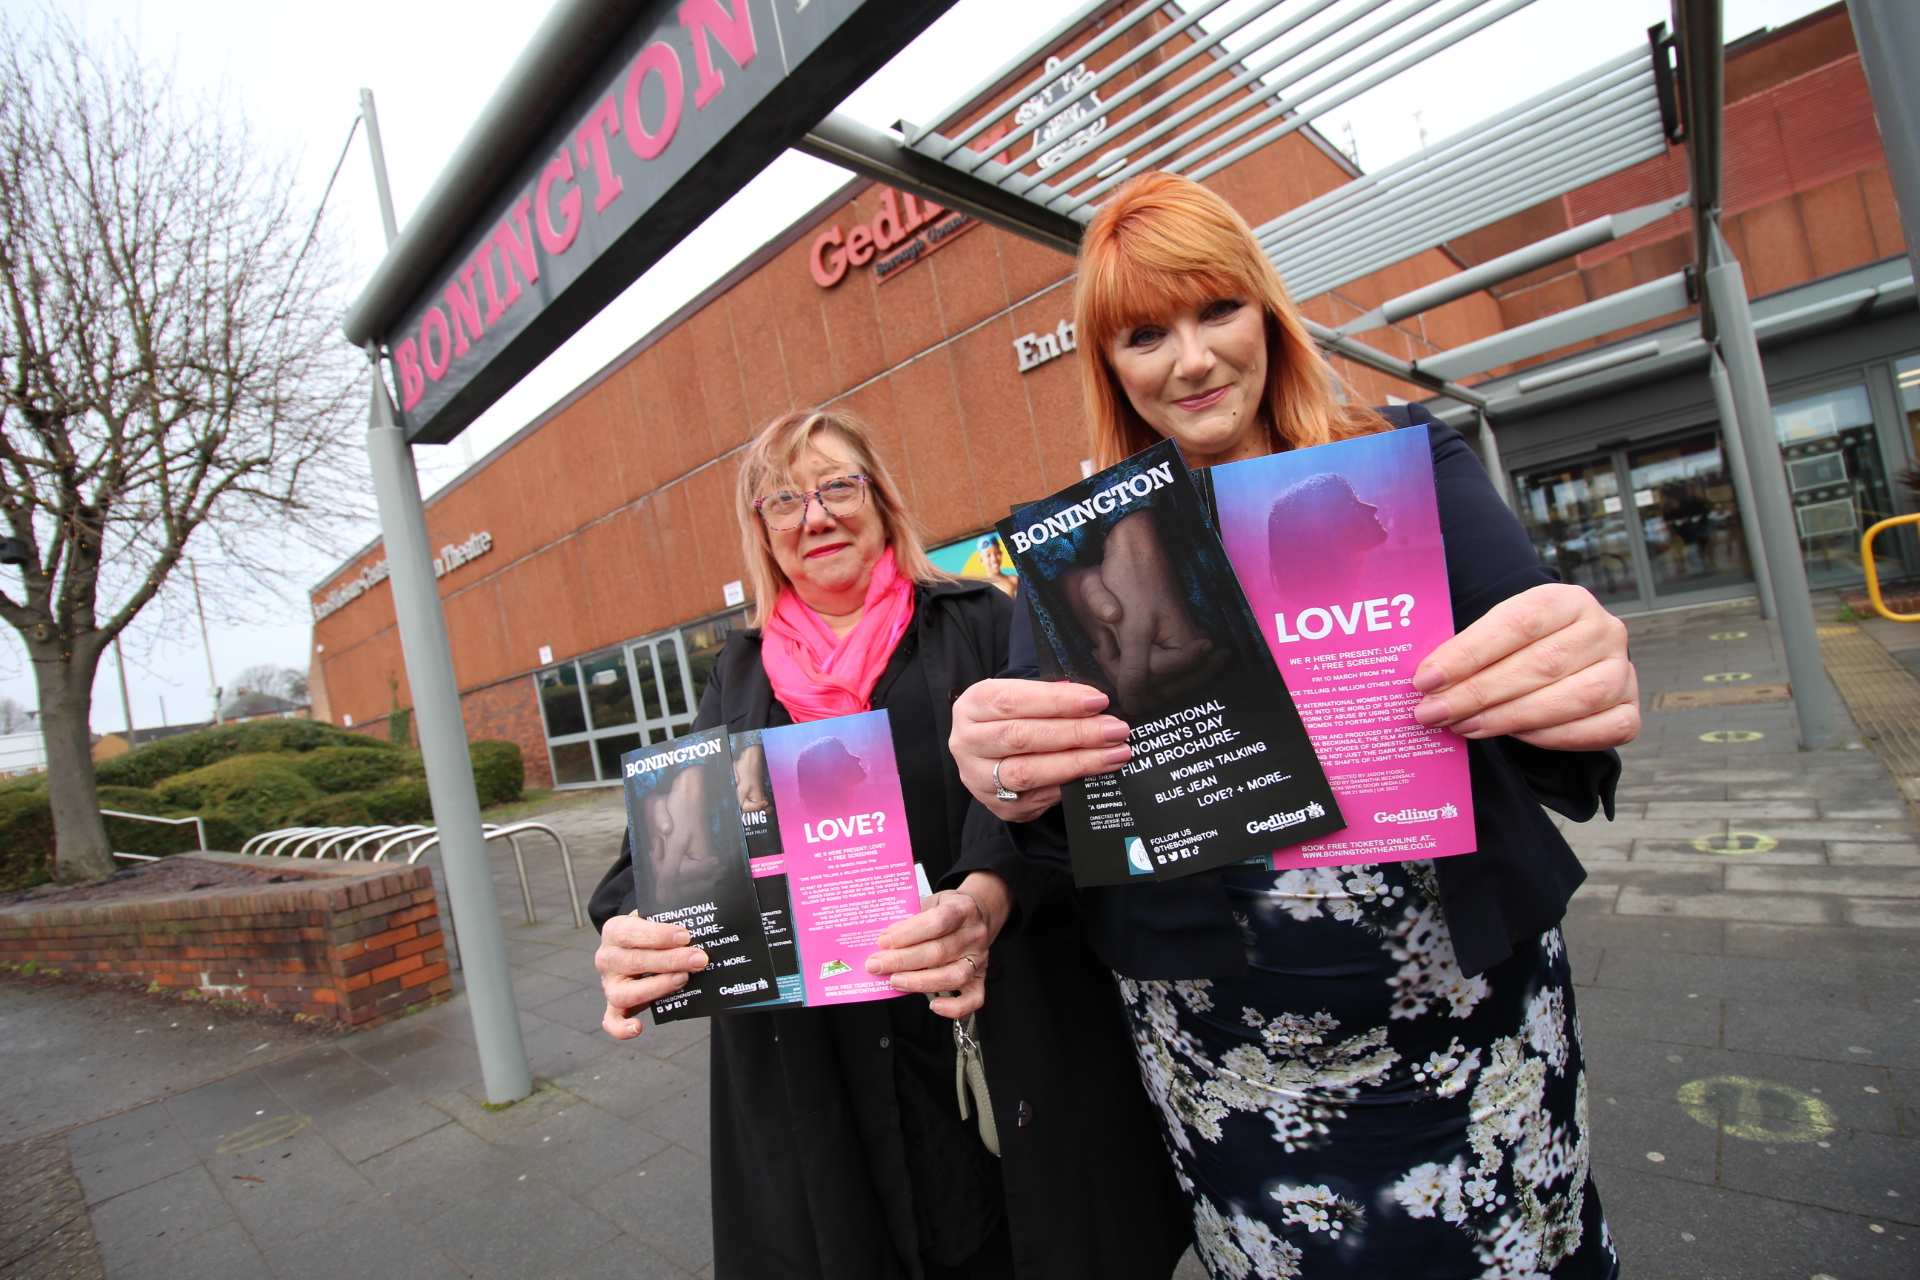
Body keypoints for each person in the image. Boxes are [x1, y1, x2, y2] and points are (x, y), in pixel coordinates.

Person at [948, 173, 1640, 1279]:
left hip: (1461, 1012)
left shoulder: (1408, 463)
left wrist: (1578, 672)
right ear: (1107, 364)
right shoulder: (1081, 553)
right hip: (1233, 1051)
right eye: (1144, 334)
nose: (1191, 360)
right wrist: (1002, 771)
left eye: (1217, 309)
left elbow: (1553, 700)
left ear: (1268, 311)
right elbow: (1052, 819)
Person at [590, 409, 1191, 1280]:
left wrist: (987, 890)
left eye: (837, 485)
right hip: (822, 1063)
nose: (815, 515)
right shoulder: (741, 674)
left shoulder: (981, 620)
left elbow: (1064, 800)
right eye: (783, 501)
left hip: (993, 1016)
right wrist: (628, 926)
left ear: (881, 501)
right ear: (762, 532)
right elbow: (665, 842)